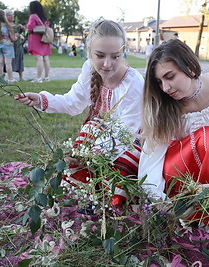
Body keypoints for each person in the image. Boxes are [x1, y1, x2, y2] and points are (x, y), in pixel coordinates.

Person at [15, 19, 144, 205]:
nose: (107, 64)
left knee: (115, 175)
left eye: (115, 56)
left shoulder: (133, 81)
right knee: (89, 131)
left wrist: (92, 154)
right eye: (100, 55)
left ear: (123, 51)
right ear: (89, 51)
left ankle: (107, 199)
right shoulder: (89, 70)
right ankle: (87, 192)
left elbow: (127, 130)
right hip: (96, 140)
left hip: (128, 142)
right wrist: (42, 99)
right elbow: (72, 103)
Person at [138, 39, 209, 212]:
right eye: (159, 82)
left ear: (189, 67)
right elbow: (154, 156)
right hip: (176, 175)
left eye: (170, 77)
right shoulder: (163, 104)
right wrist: (157, 199)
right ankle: (185, 210)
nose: (166, 88)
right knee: (207, 138)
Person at [27, 0, 52, 83]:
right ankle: (47, 77)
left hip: (36, 39)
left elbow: (30, 28)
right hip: (44, 39)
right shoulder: (43, 18)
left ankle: (38, 78)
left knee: (39, 59)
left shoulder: (33, 16)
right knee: (46, 59)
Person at [0, 9, 17, 83]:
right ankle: (10, 78)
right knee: (8, 63)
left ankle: (1, 78)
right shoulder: (7, 25)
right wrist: (16, 37)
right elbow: (13, 38)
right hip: (8, 44)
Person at [5, 9, 26, 81]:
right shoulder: (5, 26)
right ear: (5, 16)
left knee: (20, 59)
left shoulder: (16, 25)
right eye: (9, 15)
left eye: (12, 14)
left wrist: (22, 28)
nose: (12, 16)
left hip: (18, 45)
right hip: (9, 45)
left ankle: (21, 77)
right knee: (9, 61)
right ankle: (9, 77)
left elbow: (26, 33)